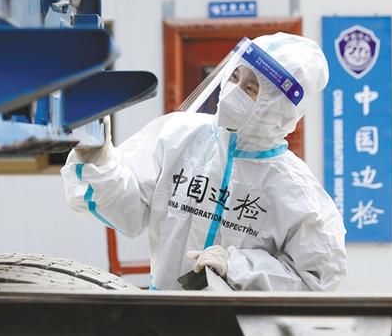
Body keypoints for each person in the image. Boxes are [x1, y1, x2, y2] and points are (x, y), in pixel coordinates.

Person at [61, 32, 347, 291]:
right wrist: (99, 160)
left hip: (238, 327)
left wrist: (239, 267)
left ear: (281, 110)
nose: (233, 91)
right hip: (163, 311)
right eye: (235, 77)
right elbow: (129, 208)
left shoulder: (295, 189)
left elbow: (318, 279)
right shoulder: (178, 136)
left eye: (251, 88)